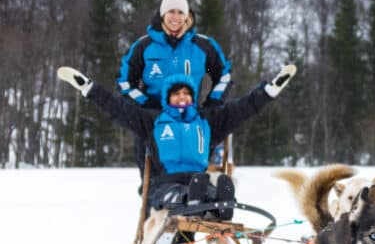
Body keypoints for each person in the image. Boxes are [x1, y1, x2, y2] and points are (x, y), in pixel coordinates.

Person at [58, 63, 296, 220]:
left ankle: (219, 204)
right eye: (176, 93)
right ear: (168, 98)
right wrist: (88, 87)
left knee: (209, 190)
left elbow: (244, 108)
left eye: (186, 94)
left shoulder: (207, 121)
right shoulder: (153, 121)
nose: (182, 97)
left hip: (198, 180)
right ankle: (191, 202)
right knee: (179, 194)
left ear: (192, 98)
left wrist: (269, 90)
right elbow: (116, 108)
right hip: (164, 184)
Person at [117, 0, 233, 176]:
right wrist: (145, 104)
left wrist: (214, 101)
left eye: (181, 12)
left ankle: (200, 187)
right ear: (162, 14)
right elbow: (124, 82)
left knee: (207, 137)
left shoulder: (203, 45)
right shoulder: (144, 46)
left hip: (192, 112)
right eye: (171, 11)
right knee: (145, 142)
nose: (176, 17)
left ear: (187, 16)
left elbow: (224, 75)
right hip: (155, 114)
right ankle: (152, 192)